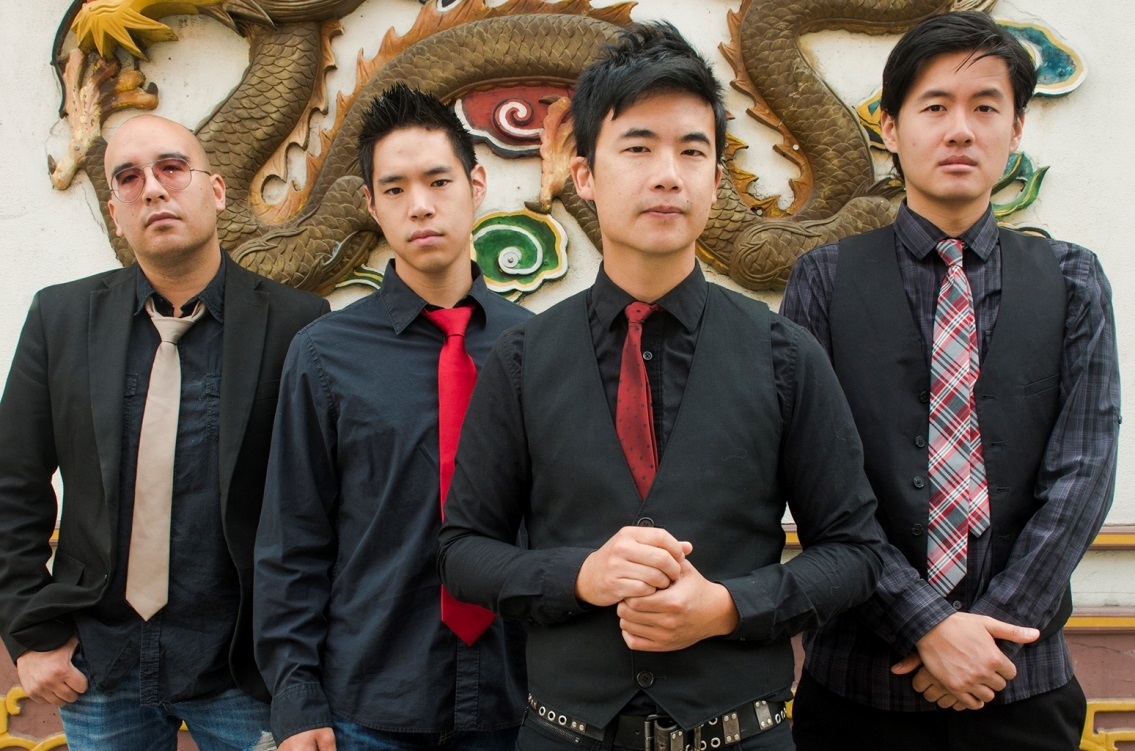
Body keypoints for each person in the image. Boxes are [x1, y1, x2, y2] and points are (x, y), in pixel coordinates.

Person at [438, 23, 884, 751]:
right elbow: (462, 551)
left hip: (740, 736)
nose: (668, 174)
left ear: (716, 178)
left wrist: (729, 606)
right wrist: (580, 576)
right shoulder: (521, 358)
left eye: (692, 151)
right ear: (584, 174)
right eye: (638, 147)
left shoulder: (785, 353)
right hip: (564, 736)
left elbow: (856, 551)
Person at [780, 11, 1120, 751]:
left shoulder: (1072, 278)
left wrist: (987, 637)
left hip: (1020, 682)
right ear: (890, 127)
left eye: (985, 108)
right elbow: (817, 479)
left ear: (1016, 129)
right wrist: (925, 625)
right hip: (859, 689)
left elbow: (1083, 471)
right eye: (934, 106)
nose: (960, 130)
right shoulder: (823, 280)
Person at [0, 114, 329, 751]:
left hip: (242, 668)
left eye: (172, 168)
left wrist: (302, 673)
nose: (152, 188)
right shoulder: (59, 319)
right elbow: (13, 485)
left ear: (217, 190)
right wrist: (27, 634)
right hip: (96, 665)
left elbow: (318, 506)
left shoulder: (298, 324)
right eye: (128, 178)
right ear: (116, 212)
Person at [253, 84, 531, 751]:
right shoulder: (323, 355)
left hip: (517, 699)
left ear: (476, 185)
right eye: (396, 189)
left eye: (438, 181)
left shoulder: (538, 348)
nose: (421, 205)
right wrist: (296, 699)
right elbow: (292, 539)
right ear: (372, 205)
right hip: (371, 705)